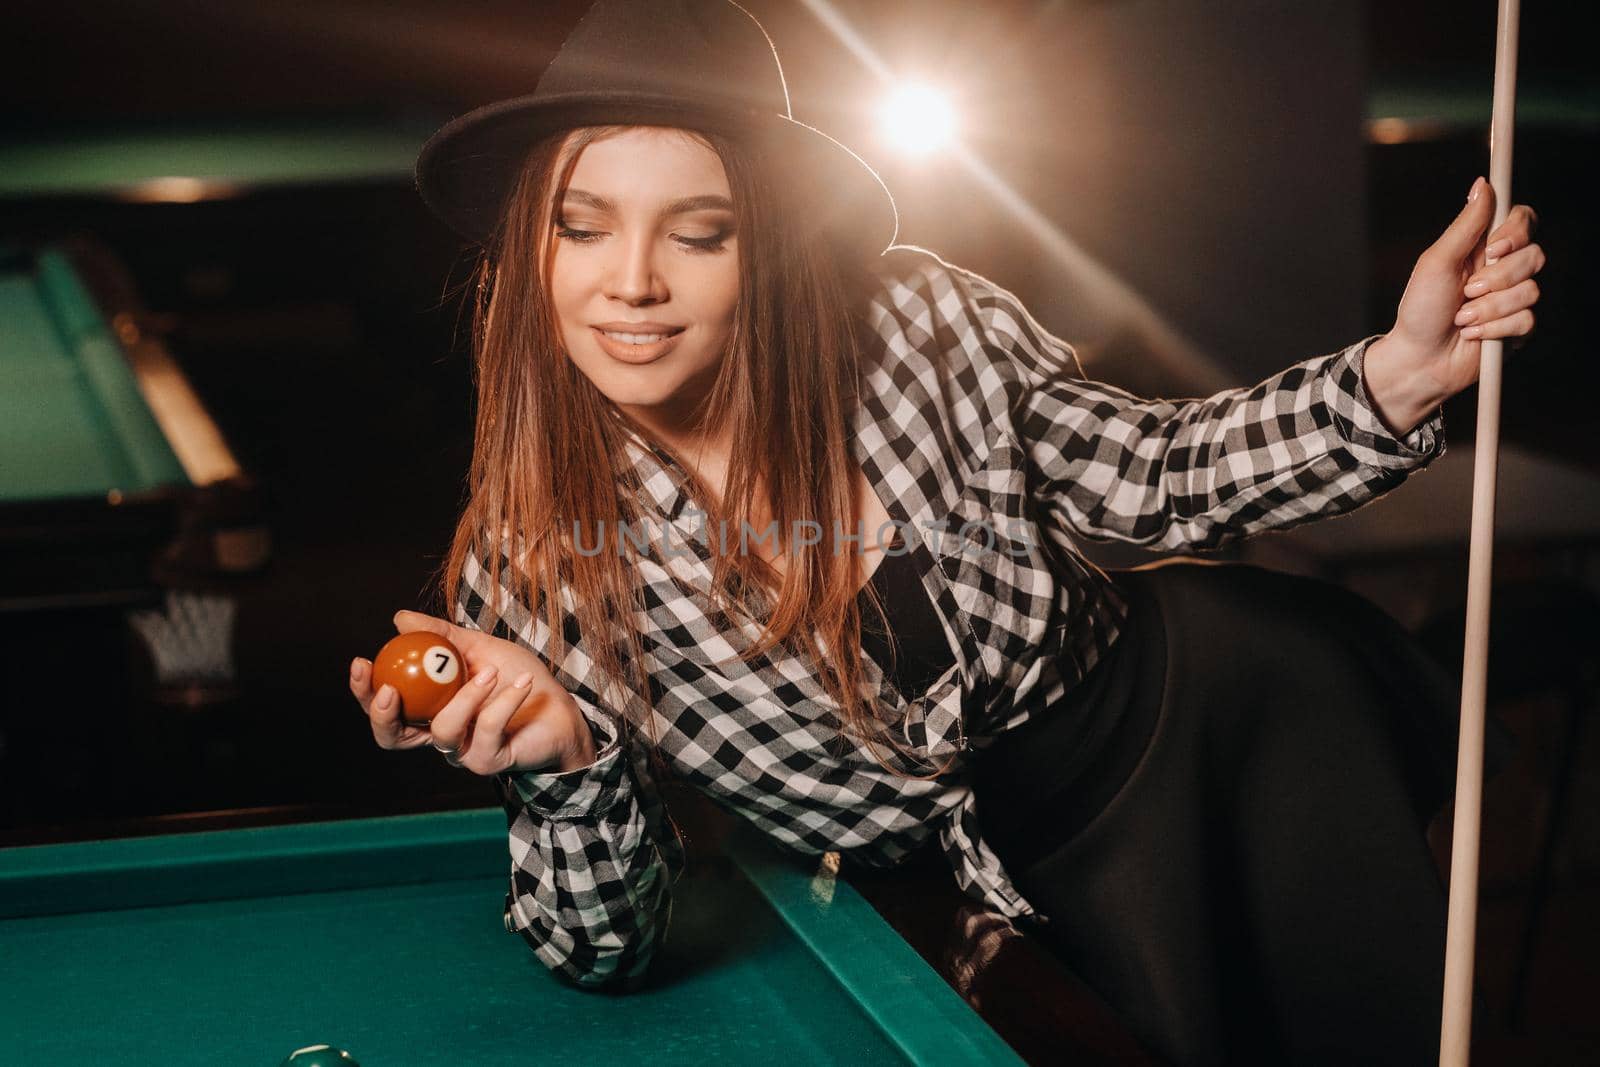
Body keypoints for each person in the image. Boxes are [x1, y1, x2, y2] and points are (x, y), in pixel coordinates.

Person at [347, 1, 1541, 1063]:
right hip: (966, 896)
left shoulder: (914, 316)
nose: (633, 281)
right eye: (582, 226)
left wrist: (1389, 380)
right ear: (529, 246)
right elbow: (599, 950)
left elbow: (1152, 472)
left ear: (763, 245)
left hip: (1202, 740)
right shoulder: (529, 568)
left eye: (699, 231)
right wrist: (562, 757)